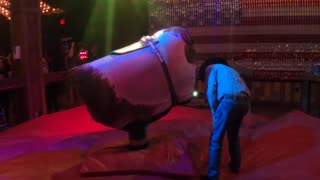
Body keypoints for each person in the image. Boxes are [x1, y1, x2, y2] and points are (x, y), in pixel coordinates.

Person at [198, 57, 251, 180]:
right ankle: (235, 166)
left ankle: (213, 176)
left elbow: (211, 94)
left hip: (229, 101)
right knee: (233, 136)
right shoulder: (231, 70)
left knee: (216, 139)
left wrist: (215, 117)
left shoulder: (210, 70)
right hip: (245, 101)